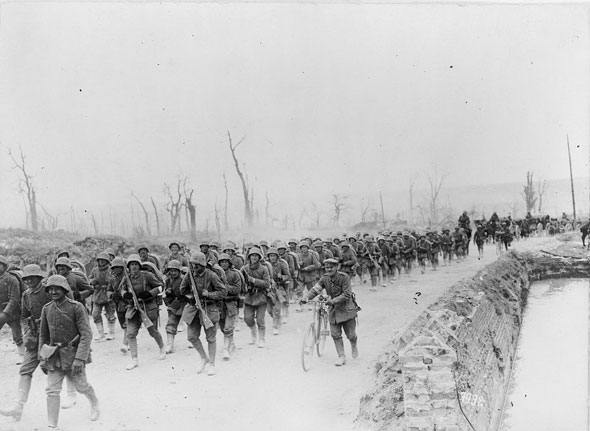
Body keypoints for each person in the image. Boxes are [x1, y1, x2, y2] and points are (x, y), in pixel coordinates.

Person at [39, 275, 99, 429]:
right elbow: (43, 336)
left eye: (57, 289)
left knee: (81, 386)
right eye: (50, 289)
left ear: (65, 289)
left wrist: (80, 358)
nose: (53, 292)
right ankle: (52, 425)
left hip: (73, 354)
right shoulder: (46, 309)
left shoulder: (76, 307)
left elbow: (86, 335)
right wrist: (42, 357)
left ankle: (94, 404)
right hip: (54, 356)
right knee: (52, 390)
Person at [0, 264, 51, 420]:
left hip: (51, 338)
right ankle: (18, 406)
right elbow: (23, 315)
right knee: (25, 371)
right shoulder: (26, 295)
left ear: (39, 278)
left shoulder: (49, 291)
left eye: (32, 278)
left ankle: (89, 399)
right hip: (34, 338)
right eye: (26, 279)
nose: (29, 281)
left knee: (61, 371)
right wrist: (28, 331)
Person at [300, 259, 358, 366]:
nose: (329, 269)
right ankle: (341, 356)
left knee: (351, 335)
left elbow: (347, 294)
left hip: (347, 309)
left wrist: (333, 301)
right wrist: (306, 297)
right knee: (335, 334)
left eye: (331, 267)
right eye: (327, 267)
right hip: (334, 310)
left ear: (337, 267)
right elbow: (316, 289)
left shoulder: (344, 277)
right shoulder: (325, 278)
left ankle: (353, 345)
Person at [180, 252, 227, 375]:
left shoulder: (211, 275)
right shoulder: (190, 275)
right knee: (191, 336)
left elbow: (223, 292)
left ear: (203, 265)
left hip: (209, 308)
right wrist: (190, 297)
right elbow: (182, 289)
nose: (194, 267)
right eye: (192, 264)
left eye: (197, 265)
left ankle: (212, 363)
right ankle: (203, 358)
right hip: (194, 309)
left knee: (211, 338)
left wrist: (209, 294)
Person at [120, 254, 166, 370]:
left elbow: (161, 286)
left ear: (139, 265)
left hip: (148, 307)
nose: (134, 267)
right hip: (133, 308)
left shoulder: (148, 275)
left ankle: (162, 348)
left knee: (153, 331)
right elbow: (122, 289)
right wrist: (125, 294)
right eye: (131, 265)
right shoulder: (127, 278)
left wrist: (150, 293)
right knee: (130, 333)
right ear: (129, 267)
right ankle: (134, 359)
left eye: (136, 264)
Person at [240, 247, 271, 348]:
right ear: (249, 257)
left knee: (260, 320)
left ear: (259, 257)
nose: (254, 257)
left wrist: (253, 280)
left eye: (256, 256)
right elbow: (239, 281)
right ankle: (253, 331)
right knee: (247, 318)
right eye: (252, 255)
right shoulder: (244, 269)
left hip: (261, 297)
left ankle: (261, 339)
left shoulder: (264, 269)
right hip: (249, 297)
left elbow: (267, 283)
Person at [217, 253, 244, 360]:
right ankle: (231, 342)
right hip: (220, 305)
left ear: (229, 263)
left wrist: (225, 288)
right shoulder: (216, 274)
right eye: (222, 262)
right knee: (223, 327)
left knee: (228, 327)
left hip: (231, 304)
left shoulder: (235, 274)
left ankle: (226, 349)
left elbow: (237, 289)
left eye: (225, 262)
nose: (224, 264)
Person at [0, 255, 24, 364]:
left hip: (12, 311)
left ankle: (22, 355)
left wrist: (5, 313)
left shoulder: (11, 279)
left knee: (17, 334)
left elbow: (14, 298)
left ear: (4, 266)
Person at [89, 252, 116, 341]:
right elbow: (89, 279)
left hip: (108, 294)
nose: (101, 262)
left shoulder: (110, 270)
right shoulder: (95, 270)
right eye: (100, 260)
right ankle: (101, 333)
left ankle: (111, 332)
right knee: (95, 314)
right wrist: (93, 281)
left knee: (110, 314)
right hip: (97, 294)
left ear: (107, 261)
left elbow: (114, 280)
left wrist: (109, 280)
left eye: (103, 260)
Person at [266, 247, 291, 335]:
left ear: (277, 256)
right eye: (270, 256)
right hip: (267, 289)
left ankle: (275, 326)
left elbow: (288, 276)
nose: (272, 258)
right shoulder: (265, 264)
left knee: (276, 308)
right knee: (269, 310)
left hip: (278, 288)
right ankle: (277, 319)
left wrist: (282, 277)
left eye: (274, 256)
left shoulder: (281, 264)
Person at [107, 257, 129, 353]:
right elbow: (109, 290)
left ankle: (125, 343)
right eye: (114, 268)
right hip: (118, 304)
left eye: (118, 267)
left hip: (128, 302)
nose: (116, 269)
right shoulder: (112, 279)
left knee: (128, 323)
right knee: (122, 323)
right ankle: (129, 339)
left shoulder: (128, 277)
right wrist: (112, 295)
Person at [163, 260, 185, 354]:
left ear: (179, 271)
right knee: (171, 323)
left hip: (184, 303)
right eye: (171, 271)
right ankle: (170, 344)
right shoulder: (168, 280)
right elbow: (166, 293)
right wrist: (168, 293)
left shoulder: (184, 279)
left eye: (175, 270)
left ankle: (193, 340)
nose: (173, 273)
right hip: (173, 304)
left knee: (192, 323)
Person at [297, 242, 320, 311]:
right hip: (301, 276)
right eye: (302, 247)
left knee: (311, 291)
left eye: (305, 247)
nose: (304, 249)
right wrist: (299, 264)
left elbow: (317, 265)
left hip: (310, 276)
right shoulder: (298, 256)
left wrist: (308, 268)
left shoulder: (311, 255)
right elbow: (295, 266)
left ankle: (310, 304)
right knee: (299, 291)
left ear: (307, 248)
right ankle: (300, 305)